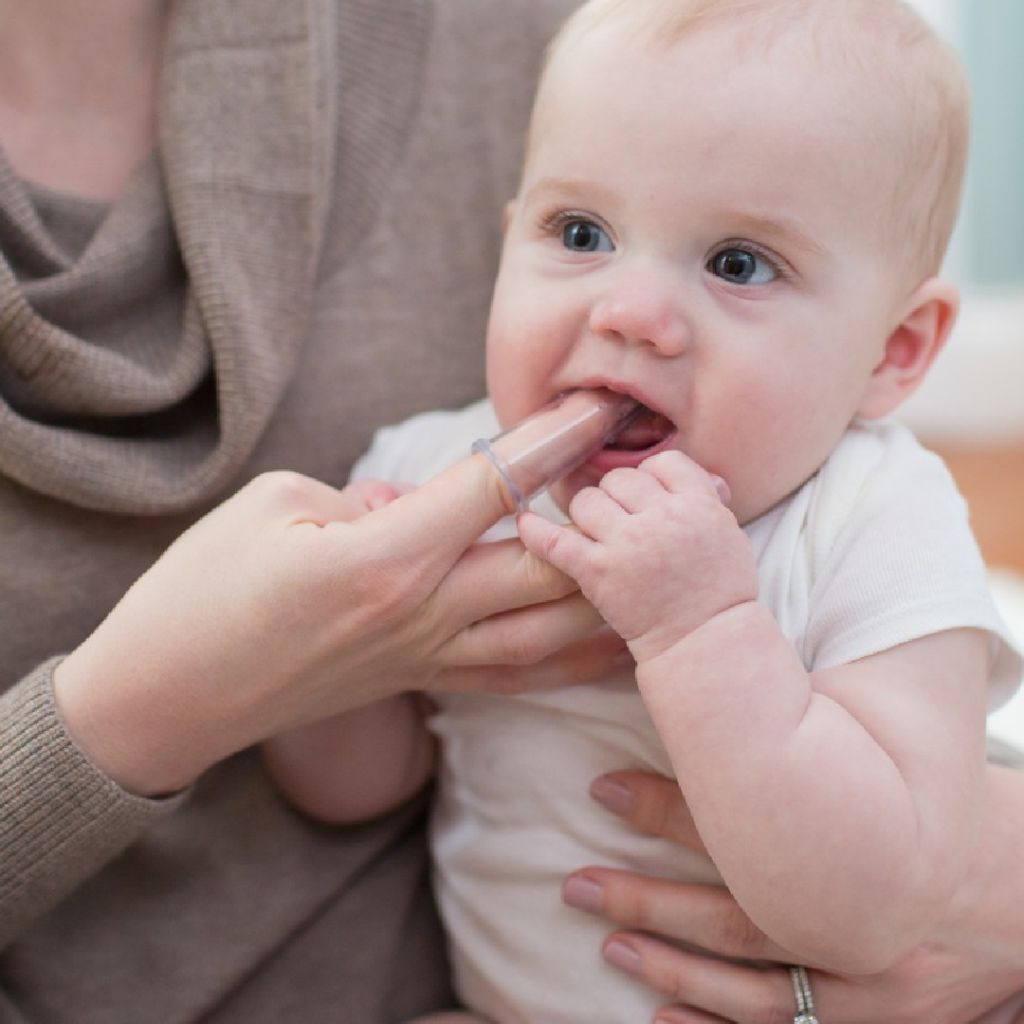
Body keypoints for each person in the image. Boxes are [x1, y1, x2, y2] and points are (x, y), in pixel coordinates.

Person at [261, 0, 1024, 1021]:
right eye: (580, 234)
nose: (627, 312)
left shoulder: (874, 518)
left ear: (891, 351)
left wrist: (699, 629)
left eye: (738, 263)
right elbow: (356, 787)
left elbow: (877, 912)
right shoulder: (433, 472)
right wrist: (329, 652)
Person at [0, 1, 612, 1021]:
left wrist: (961, 862)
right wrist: (140, 712)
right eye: (579, 237)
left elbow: (823, 543)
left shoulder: (542, 35)